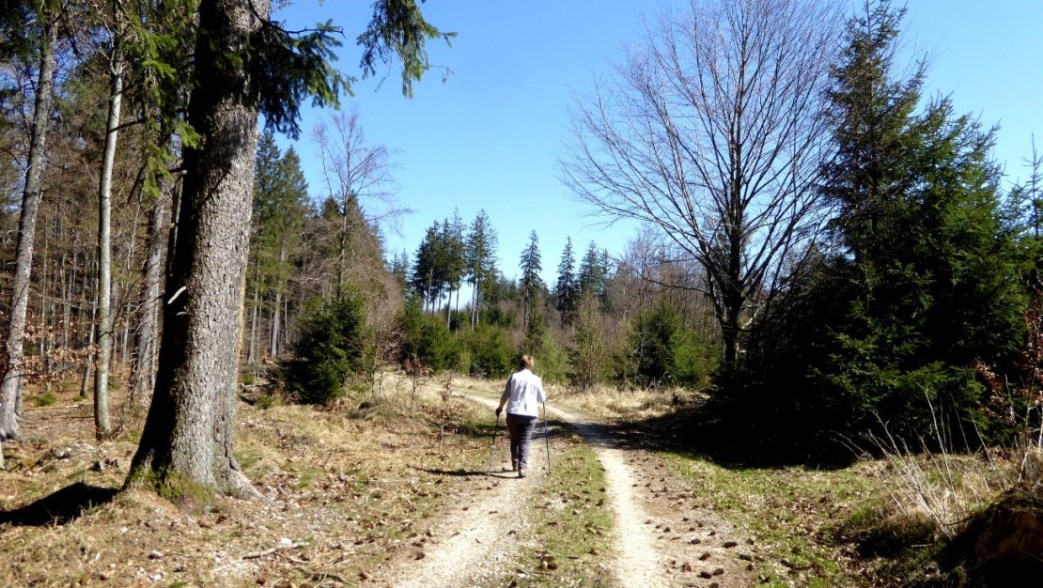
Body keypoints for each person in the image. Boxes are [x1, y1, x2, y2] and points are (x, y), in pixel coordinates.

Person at [495, 354, 546, 478]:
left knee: (514, 439)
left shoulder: (514, 377)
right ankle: (522, 468)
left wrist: (500, 407)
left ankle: (515, 463)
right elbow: (542, 399)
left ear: (521, 364)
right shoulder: (536, 379)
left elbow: (505, 395)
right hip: (530, 414)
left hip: (513, 412)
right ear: (531, 366)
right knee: (524, 440)